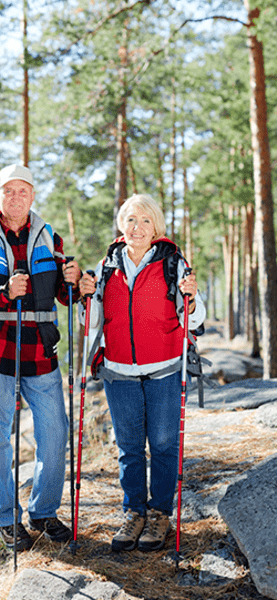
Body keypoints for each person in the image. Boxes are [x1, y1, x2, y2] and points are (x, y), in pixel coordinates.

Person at [0, 164, 82, 551]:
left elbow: (65, 297)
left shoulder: (50, 238)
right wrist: (3, 292)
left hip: (40, 351)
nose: (15, 197)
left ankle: (43, 511)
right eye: (8, 191)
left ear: (33, 195)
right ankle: (8, 520)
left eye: (22, 191)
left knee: (54, 433)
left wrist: (74, 280)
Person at [78, 193, 206, 553]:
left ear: (157, 227)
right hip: (119, 371)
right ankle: (134, 512)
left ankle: (160, 514)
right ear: (122, 224)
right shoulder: (107, 265)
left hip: (164, 369)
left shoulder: (174, 263)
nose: (137, 227)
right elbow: (92, 326)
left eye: (145, 221)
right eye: (131, 220)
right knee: (129, 449)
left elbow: (194, 320)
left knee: (164, 446)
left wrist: (192, 298)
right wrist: (85, 298)